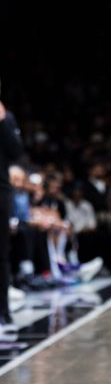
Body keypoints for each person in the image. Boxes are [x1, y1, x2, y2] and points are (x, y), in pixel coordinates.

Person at [0, 99, 23, 335]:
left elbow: (16, 151)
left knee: (1, 256)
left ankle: (4, 314)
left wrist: (3, 121)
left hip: (1, 192)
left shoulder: (6, 117)